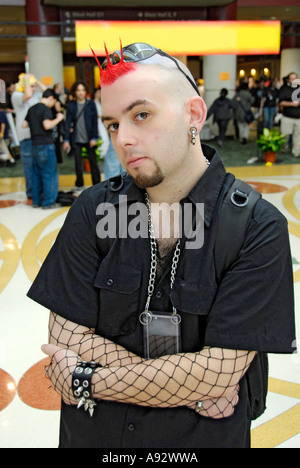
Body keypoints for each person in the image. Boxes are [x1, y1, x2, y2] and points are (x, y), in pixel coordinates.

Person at [27, 42, 295, 449]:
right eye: (114, 124)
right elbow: (66, 338)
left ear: (194, 114)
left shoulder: (256, 227)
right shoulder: (94, 210)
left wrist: (86, 377)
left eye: (142, 115)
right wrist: (191, 383)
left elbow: (218, 373)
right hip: (94, 435)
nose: (124, 139)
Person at [22, 89, 64, 209]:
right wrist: (59, 118)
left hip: (34, 145)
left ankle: (36, 201)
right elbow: (47, 125)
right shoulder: (45, 109)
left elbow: (23, 125)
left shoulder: (32, 108)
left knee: (36, 174)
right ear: (51, 98)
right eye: (53, 102)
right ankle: (49, 202)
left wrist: (35, 124)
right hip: (46, 144)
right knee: (49, 174)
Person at [11, 73, 46, 199]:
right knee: (29, 166)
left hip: (36, 136)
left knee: (39, 166)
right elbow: (28, 94)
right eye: (31, 85)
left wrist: (36, 80)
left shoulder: (35, 95)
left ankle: (39, 191)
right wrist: (26, 81)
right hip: (25, 137)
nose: (33, 87)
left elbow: (47, 92)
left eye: (34, 85)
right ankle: (31, 192)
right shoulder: (16, 95)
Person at [63, 81, 100, 190]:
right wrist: (66, 140)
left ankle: (97, 186)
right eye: (78, 90)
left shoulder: (90, 104)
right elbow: (68, 123)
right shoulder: (71, 105)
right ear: (75, 92)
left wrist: (94, 137)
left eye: (83, 90)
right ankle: (79, 185)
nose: (80, 93)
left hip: (89, 138)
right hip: (76, 138)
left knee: (93, 163)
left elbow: (95, 122)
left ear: (86, 92)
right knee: (78, 165)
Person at [278, 72, 300, 157]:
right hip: (287, 117)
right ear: (289, 80)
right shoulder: (285, 89)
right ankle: (284, 148)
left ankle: (296, 152)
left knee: (297, 136)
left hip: (298, 118)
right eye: (292, 78)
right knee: (285, 135)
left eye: (295, 78)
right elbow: (281, 102)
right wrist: (292, 104)